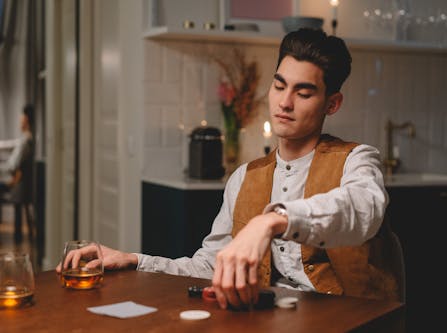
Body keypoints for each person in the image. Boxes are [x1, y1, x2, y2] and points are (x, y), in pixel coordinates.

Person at [57, 28, 401, 309]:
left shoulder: (357, 160)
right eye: (279, 85)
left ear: (332, 103)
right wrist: (135, 260)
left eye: (303, 92)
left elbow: (362, 210)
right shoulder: (245, 177)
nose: (284, 102)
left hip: (355, 321)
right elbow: (208, 266)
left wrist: (273, 220)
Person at [0, 104, 35, 242]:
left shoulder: (25, 141)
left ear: (26, 119)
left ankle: (15, 238)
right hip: (21, 183)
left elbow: (12, 165)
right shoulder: (29, 140)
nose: (20, 120)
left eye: (22, 118)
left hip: (19, 186)